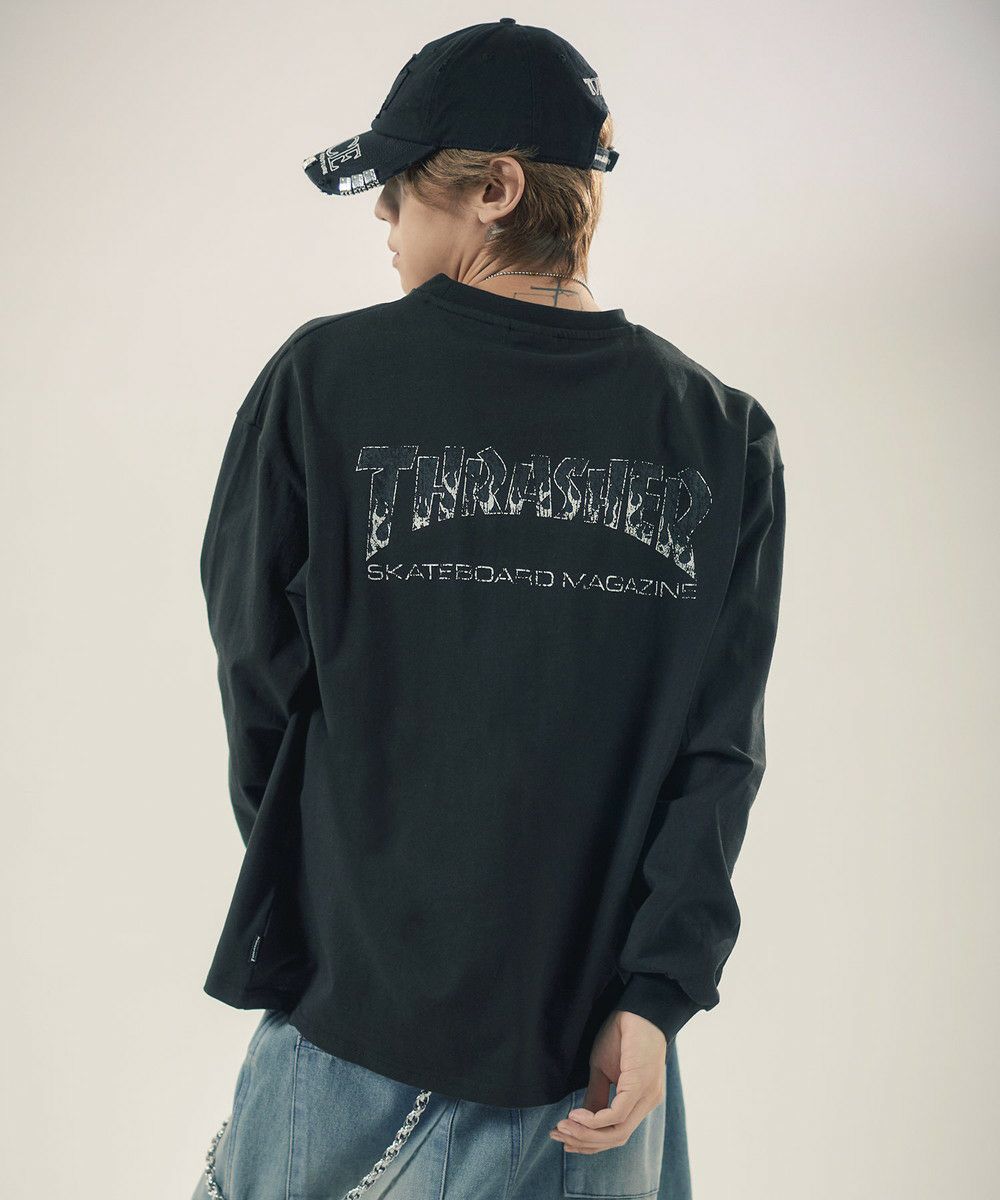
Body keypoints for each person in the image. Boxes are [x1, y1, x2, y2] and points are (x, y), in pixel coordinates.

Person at [192, 18, 785, 1200]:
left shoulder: (323, 383)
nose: (381, 215)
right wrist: (653, 995)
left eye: (402, 185)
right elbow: (717, 755)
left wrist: (344, 912)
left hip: (354, 1032)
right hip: (600, 1061)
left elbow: (259, 682)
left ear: (497, 191)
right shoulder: (721, 433)